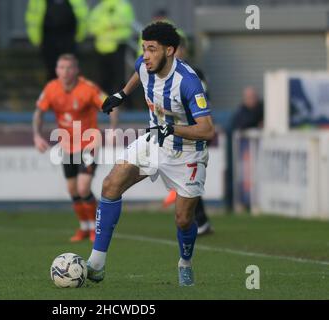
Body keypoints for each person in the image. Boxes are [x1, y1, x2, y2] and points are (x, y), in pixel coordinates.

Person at [86, 22, 214, 286]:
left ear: (170, 51)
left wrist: (172, 128)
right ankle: (96, 264)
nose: (145, 55)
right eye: (143, 48)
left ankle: (185, 262)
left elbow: (206, 130)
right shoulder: (145, 63)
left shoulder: (188, 82)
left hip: (188, 153)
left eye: (151, 49)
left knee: (183, 220)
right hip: (154, 141)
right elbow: (137, 71)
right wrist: (121, 94)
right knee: (110, 184)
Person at [32, 54, 118, 242]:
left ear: (76, 70)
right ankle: (84, 227)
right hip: (67, 145)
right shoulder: (51, 88)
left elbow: (112, 105)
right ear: (56, 70)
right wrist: (37, 135)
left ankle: (97, 228)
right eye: (61, 68)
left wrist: (112, 129)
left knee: (83, 186)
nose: (65, 71)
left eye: (69, 68)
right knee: (72, 190)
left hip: (89, 143)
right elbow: (39, 113)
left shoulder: (87, 88)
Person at [25, 0, 88, 80]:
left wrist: (80, 35)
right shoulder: (38, 2)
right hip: (49, 39)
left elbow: (82, 16)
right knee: (52, 70)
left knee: (70, 71)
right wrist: (36, 39)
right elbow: (32, 18)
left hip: (68, 39)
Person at [88, 0, 134, 98]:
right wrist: (110, 25)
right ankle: (104, 102)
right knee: (103, 78)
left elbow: (127, 22)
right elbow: (91, 26)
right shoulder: (100, 8)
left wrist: (105, 25)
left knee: (119, 78)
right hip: (101, 48)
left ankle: (120, 104)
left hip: (118, 45)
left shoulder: (122, 6)